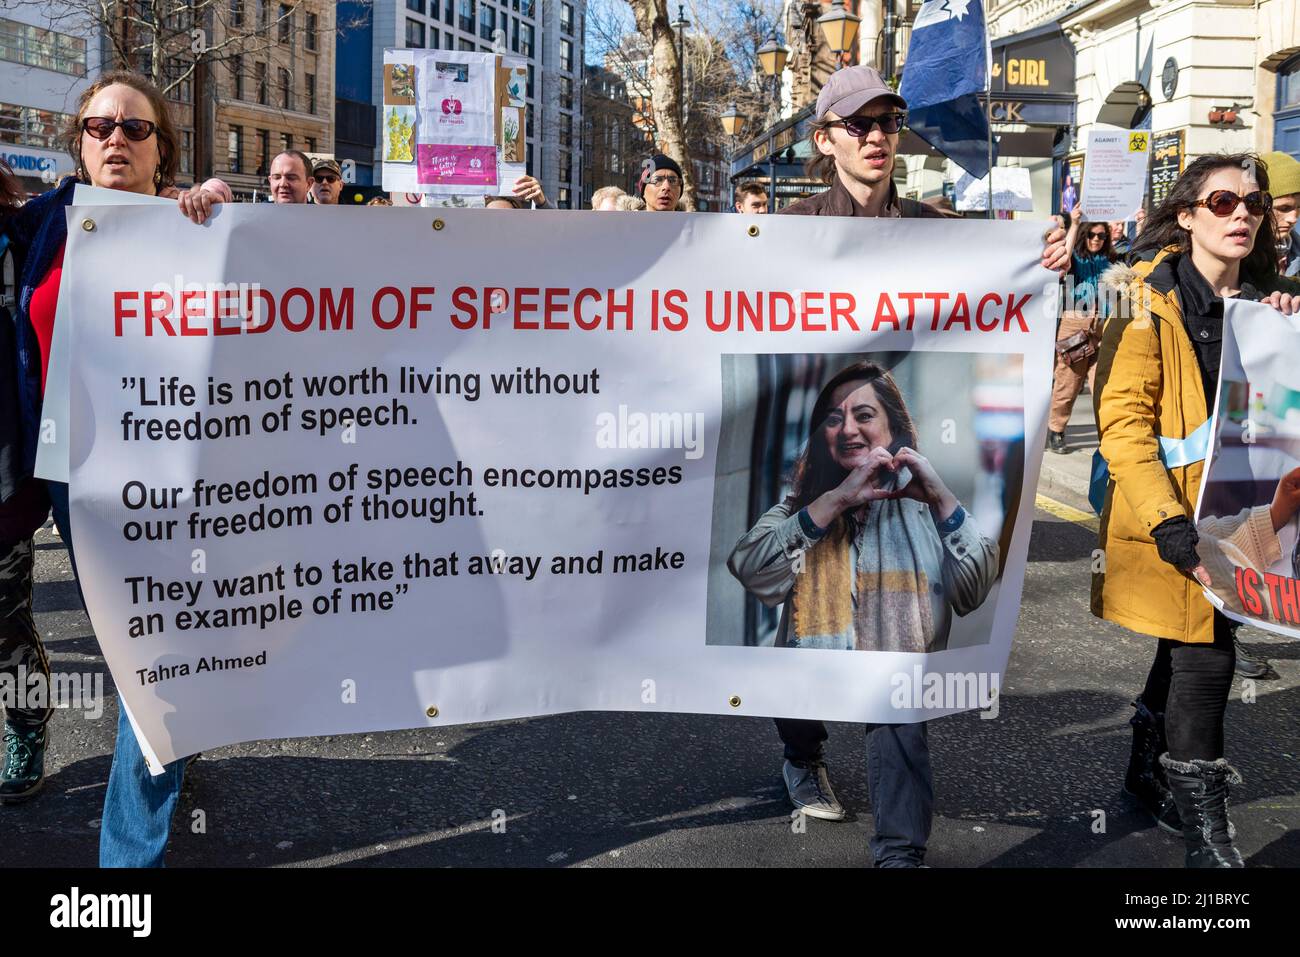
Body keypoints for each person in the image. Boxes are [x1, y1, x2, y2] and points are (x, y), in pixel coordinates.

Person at [758, 64, 1068, 862]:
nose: (875, 137)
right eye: (857, 125)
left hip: (895, 513)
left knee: (898, 688)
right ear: (824, 140)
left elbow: (1006, 296)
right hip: (820, 495)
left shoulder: (939, 230)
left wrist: (1044, 263)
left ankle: (902, 853)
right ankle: (801, 751)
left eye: (887, 123)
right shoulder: (778, 236)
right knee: (800, 668)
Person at [1, 69, 227, 861]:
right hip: (70, 470)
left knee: (153, 649)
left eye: (135, 129)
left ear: (162, 150)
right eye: (100, 128)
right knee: (123, 641)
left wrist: (220, 218)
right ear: (79, 144)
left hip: (171, 476)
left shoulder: (192, 225)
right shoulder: (42, 225)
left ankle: (127, 862)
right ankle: (163, 737)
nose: (116, 140)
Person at [1094, 151, 1300, 867]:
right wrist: (1172, 526)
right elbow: (1122, 425)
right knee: (1208, 659)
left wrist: (1289, 326)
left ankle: (1143, 767)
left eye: (1254, 202)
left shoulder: (1280, 301)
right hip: (1173, 520)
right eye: (1222, 202)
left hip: (1250, 515)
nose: (1242, 213)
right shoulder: (1142, 303)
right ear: (1186, 216)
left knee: (1184, 646)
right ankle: (1211, 847)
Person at [0, 160, 53, 804]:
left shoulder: (25, 232)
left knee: (6, 624)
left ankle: (27, 726)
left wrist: (198, 195)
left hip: (7, 474)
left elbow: (100, 201)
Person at [1048, 208, 1117, 454]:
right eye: (1093, 235)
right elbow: (1062, 258)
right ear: (1085, 236)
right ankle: (1056, 430)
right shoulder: (1075, 258)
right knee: (1068, 383)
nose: (1097, 239)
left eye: (1102, 235)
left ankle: (1108, 434)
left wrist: (1140, 224)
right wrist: (1075, 224)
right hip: (1076, 321)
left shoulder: (1110, 259)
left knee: (1105, 385)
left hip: (1104, 326)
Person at [1261, 151, 1300, 275]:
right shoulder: (1233, 258)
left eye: (1299, 207)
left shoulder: (1295, 251)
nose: (1293, 218)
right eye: (1283, 208)